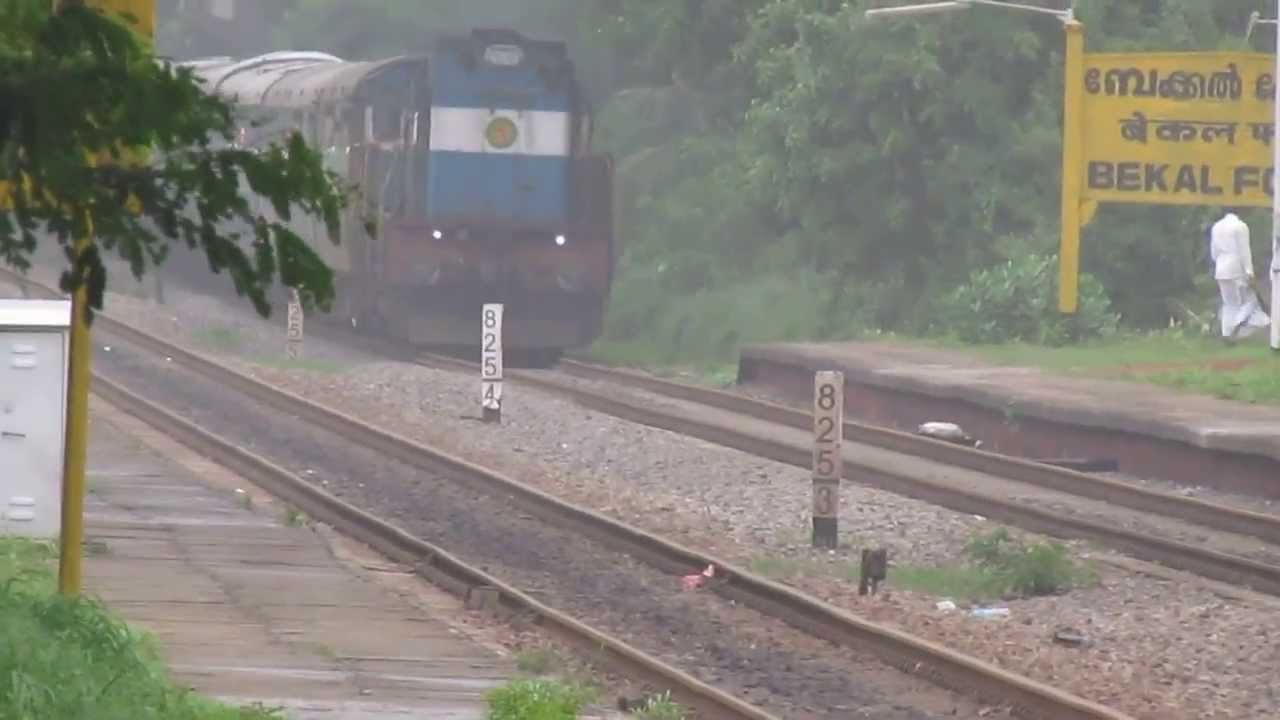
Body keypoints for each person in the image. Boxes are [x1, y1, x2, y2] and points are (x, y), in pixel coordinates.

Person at [1209, 209, 1270, 342]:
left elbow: (1213, 252)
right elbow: (1244, 251)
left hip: (1220, 268)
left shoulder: (1216, 226)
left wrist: (1219, 263)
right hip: (1237, 268)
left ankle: (1226, 334)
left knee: (1229, 303)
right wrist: (1249, 272)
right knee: (1250, 301)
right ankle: (1237, 326)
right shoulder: (1241, 226)